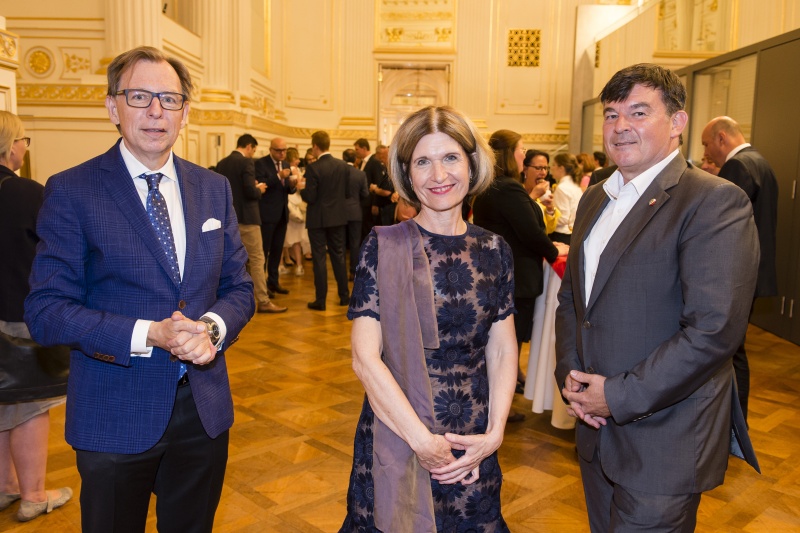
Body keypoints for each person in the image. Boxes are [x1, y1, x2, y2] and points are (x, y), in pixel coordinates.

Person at [24, 46, 255, 533]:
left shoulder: (213, 189)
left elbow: (239, 287)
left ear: (185, 112)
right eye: (140, 96)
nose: (156, 111)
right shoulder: (72, 190)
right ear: (113, 106)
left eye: (169, 99)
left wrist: (211, 329)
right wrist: (148, 333)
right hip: (113, 409)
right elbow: (46, 310)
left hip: (204, 409)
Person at [555, 63, 760, 532]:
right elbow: (573, 302)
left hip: (664, 438)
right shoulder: (595, 197)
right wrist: (571, 379)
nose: (620, 126)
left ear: (678, 123)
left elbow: (713, 331)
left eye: (639, 112)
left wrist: (617, 396)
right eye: (611, 114)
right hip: (596, 429)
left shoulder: (713, 202)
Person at [340, 105, 517, 532]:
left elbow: (502, 347)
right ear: (407, 173)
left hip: (471, 443)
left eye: (450, 157)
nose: (438, 174)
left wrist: (494, 434)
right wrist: (424, 443)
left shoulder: (494, 249)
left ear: (472, 165)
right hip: (399, 432)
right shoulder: (382, 246)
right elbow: (365, 359)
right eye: (423, 161)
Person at [0, 112, 73, 522]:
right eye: (24, 139)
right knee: (29, 405)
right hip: (19, 314)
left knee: (0, 404)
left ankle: (5, 487)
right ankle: (33, 494)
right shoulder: (26, 192)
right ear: (12, 145)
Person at [473, 130, 568, 409]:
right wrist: (553, 251)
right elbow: (529, 231)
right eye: (521, 149)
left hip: (497, 274)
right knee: (508, 344)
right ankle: (499, 403)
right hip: (514, 277)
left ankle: (502, 391)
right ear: (507, 154)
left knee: (501, 341)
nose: (524, 155)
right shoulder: (508, 188)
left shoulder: (494, 186)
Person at [701, 115, 778, 419]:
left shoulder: (738, 166)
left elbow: (721, 223)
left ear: (721, 138)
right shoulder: (761, 162)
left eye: (708, 145)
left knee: (731, 352)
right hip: (755, 272)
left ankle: (734, 423)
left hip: (736, 275)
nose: (708, 152)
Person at [215, 133, 286, 313]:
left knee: (232, 260)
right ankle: (262, 300)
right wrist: (258, 188)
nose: (253, 154)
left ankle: (230, 299)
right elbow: (249, 192)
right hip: (248, 218)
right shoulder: (246, 162)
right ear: (249, 147)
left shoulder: (222, 163)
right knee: (257, 258)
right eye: (253, 150)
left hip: (228, 218)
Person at [301, 130, 350, 311]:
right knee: (339, 257)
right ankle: (344, 296)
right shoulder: (342, 166)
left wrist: (301, 190)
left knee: (319, 259)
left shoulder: (313, 168)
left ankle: (320, 300)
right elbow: (346, 193)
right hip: (338, 217)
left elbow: (311, 197)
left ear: (315, 146)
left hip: (318, 219)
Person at [255, 137, 297, 297]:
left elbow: (287, 190)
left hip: (282, 214)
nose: (282, 153)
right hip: (267, 214)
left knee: (277, 250)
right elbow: (261, 184)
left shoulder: (286, 164)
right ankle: (262, 285)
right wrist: (279, 176)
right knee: (264, 251)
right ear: (271, 150)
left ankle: (274, 282)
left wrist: (291, 186)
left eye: (284, 150)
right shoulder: (261, 163)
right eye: (279, 150)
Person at [342, 148, 370, 280]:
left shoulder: (337, 173)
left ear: (343, 158)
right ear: (355, 159)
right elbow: (365, 194)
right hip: (355, 212)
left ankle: (340, 271)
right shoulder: (360, 174)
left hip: (338, 212)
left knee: (339, 243)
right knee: (354, 243)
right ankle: (353, 272)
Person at [282, 147, 308, 276]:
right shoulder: (293, 170)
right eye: (296, 158)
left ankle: (281, 265)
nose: (298, 160)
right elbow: (298, 186)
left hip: (288, 203)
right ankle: (299, 265)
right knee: (296, 238)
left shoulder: (285, 169)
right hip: (294, 205)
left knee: (284, 238)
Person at [522, 149, 560, 233]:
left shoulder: (542, 195)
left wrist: (550, 209)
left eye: (545, 168)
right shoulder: (516, 191)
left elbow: (548, 230)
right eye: (538, 168)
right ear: (525, 169)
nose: (543, 173)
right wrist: (533, 196)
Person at [549, 152, 582, 244]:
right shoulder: (575, 186)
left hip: (561, 234)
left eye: (554, 165)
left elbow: (563, 218)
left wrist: (547, 217)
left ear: (561, 168)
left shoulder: (562, 188)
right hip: (572, 232)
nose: (551, 168)